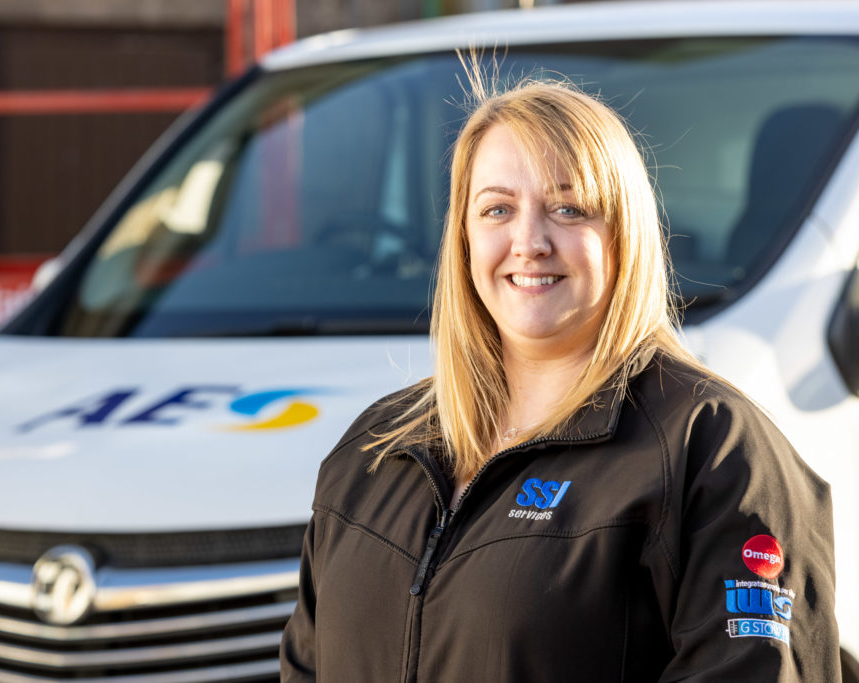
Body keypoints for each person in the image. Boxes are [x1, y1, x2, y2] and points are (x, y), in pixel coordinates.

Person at [280, 77, 840, 681]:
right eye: (497, 209)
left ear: (623, 234)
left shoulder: (712, 450)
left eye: (569, 209)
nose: (529, 242)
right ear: (463, 237)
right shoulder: (375, 449)